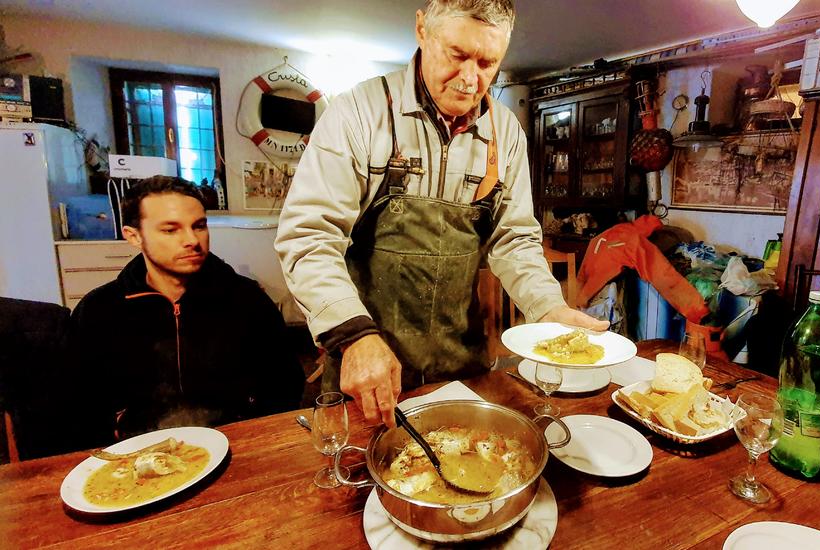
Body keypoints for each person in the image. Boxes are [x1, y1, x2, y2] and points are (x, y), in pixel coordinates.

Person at [275, 0, 607, 428]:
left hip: (460, 361)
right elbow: (309, 237)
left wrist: (549, 310)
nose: (471, 80)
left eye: (488, 63)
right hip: (367, 361)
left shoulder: (504, 133)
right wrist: (353, 336)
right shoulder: (359, 112)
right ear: (421, 30)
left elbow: (514, 240)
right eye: (457, 55)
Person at [72, 176, 304, 444]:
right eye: (171, 230)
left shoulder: (246, 299)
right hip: (136, 458)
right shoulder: (99, 311)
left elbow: (285, 385)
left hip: (237, 446)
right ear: (133, 236)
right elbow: (80, 406)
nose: (192, 240)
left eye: (200, 226)